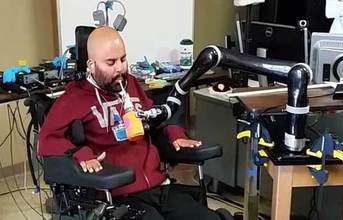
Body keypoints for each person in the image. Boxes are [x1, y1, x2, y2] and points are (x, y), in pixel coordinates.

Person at [38, 26, 221, 220]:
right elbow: (48, 139)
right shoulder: (76, 96)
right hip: (119, 194)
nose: (120, 68)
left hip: (159, 187)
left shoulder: (131, 84)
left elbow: (155, 117)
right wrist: (80, 154)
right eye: (111, 62)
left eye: (123, 59)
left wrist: (176, 134)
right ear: (91, 65)